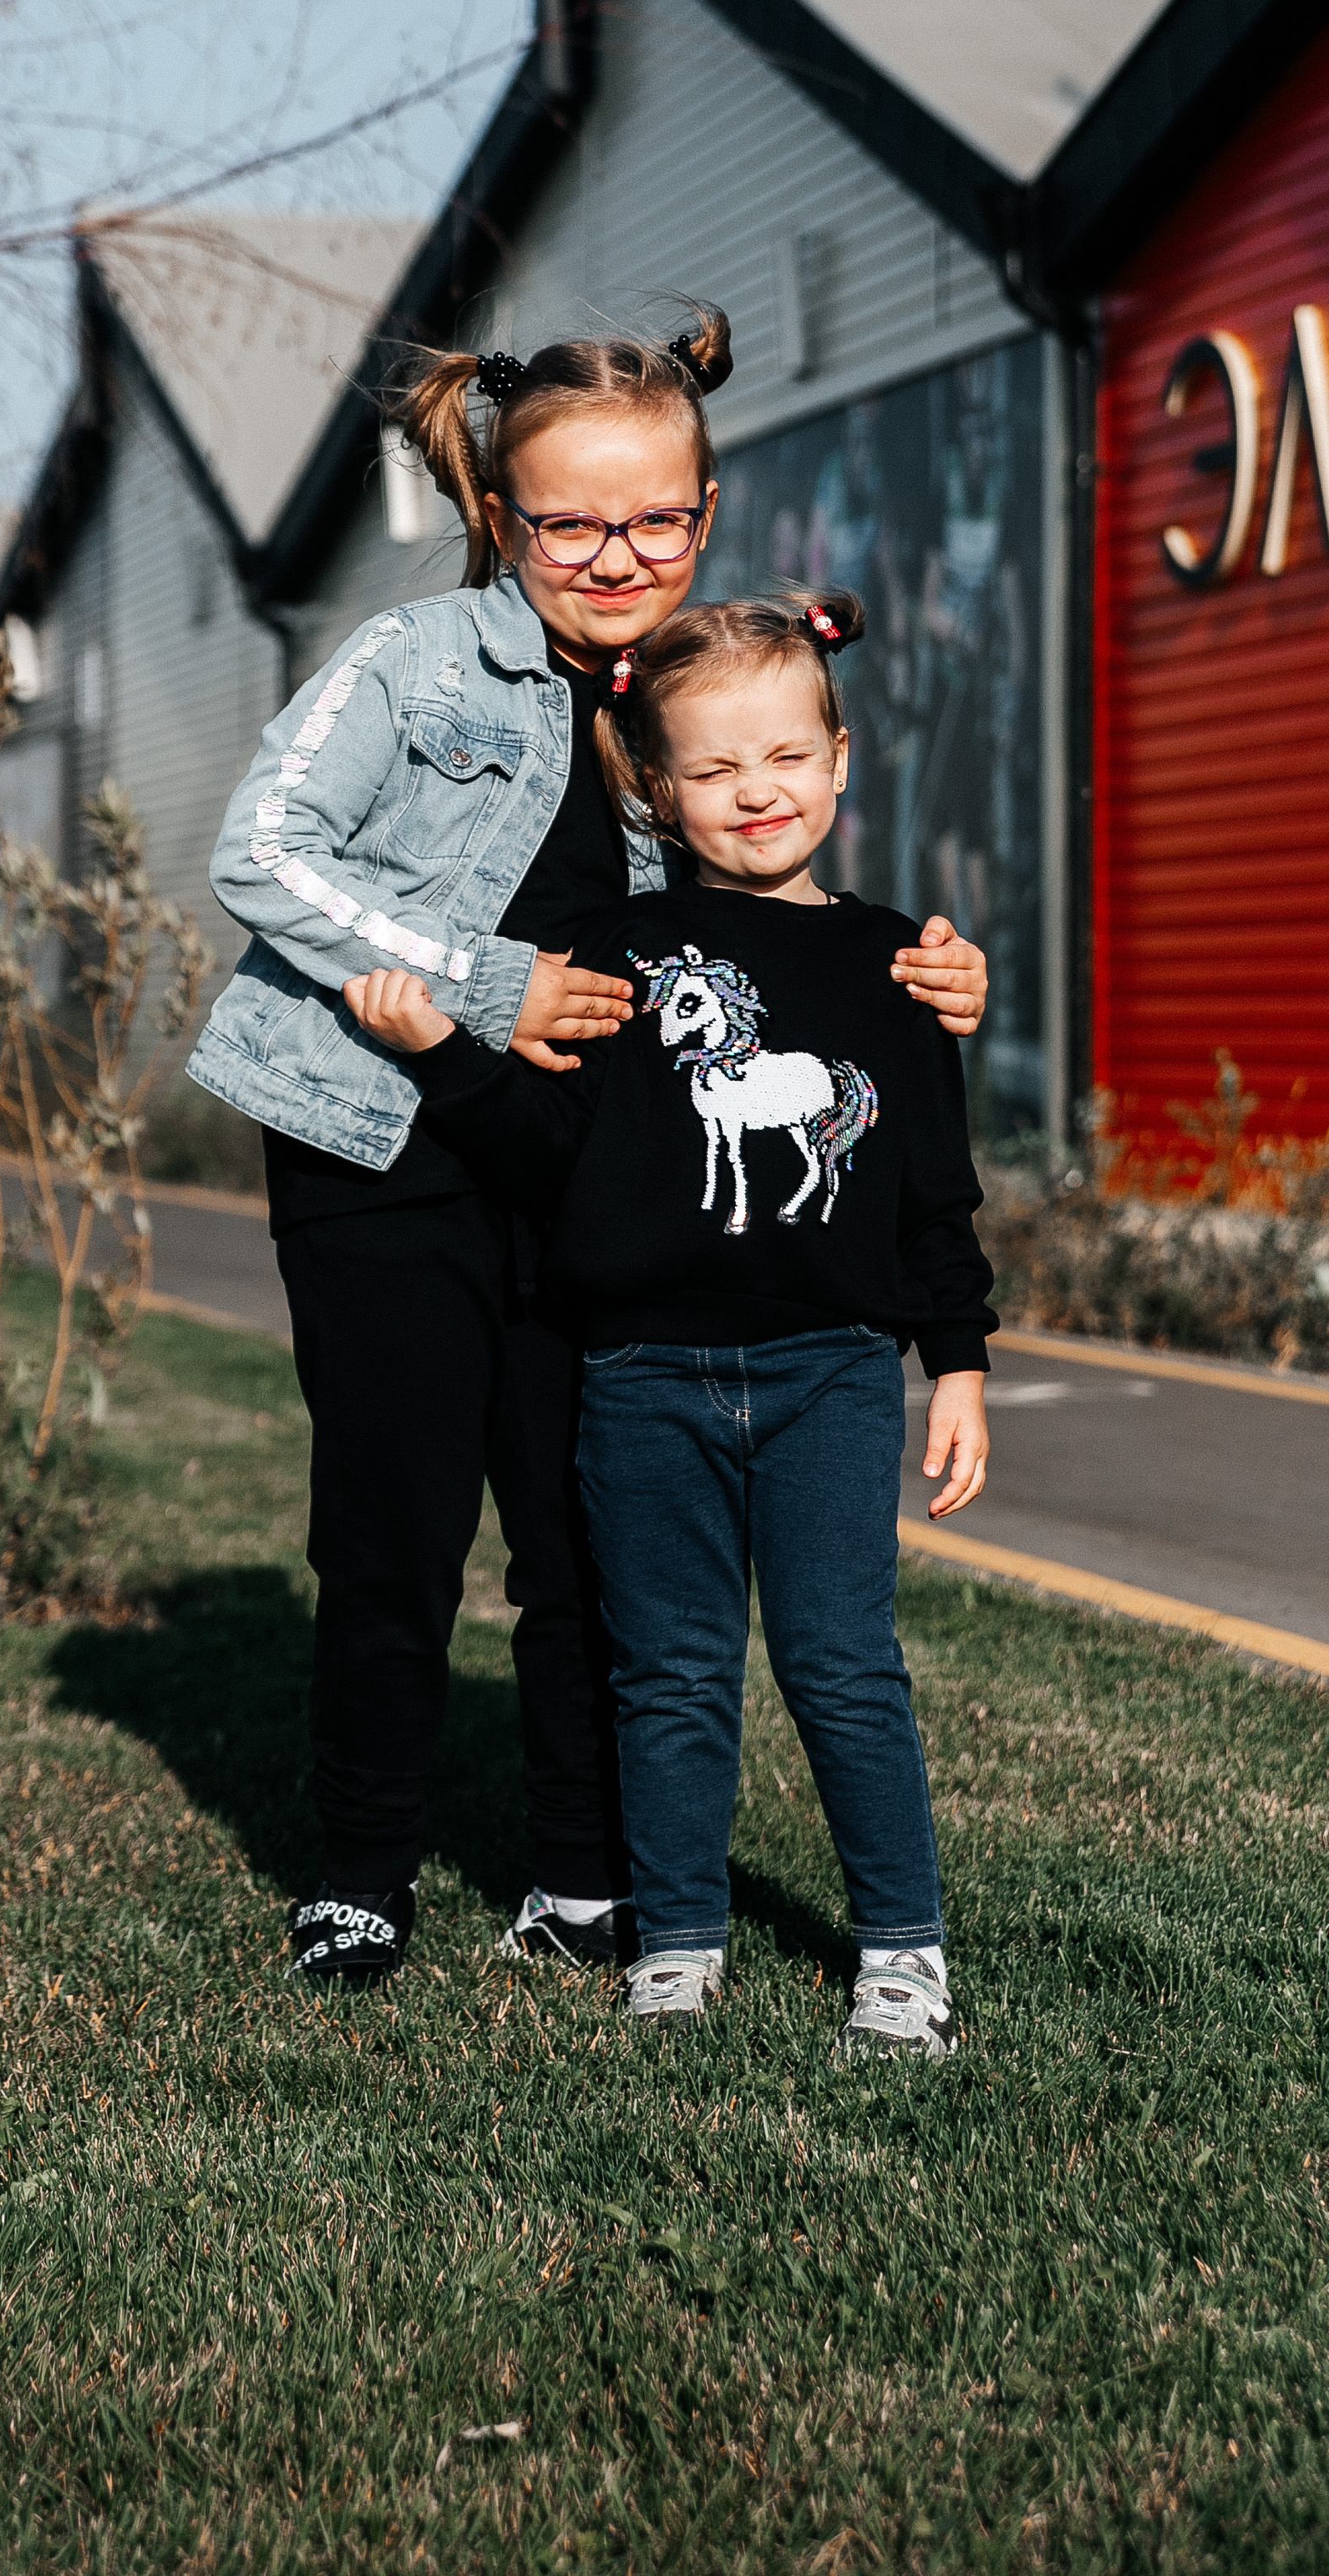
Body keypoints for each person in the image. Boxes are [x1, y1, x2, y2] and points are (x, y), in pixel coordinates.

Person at [187, 311, 989, 1988]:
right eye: (571, 523)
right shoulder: (408, 666)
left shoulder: (680, 692)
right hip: (383, 1146)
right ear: (504, 519)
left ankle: (577, 1870)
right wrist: (480, 984)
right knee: (395, 1525)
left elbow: (766, 892)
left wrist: (923, 972)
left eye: (658, 521)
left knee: (576, 1535)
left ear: (701, 511)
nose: (618, 557)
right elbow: (258, 850)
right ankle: (361, 1870)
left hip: (586, 1178)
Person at [342, 588, 992, 2064]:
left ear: (840, 758)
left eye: (783, 758)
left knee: (844, 1667)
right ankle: (677, 1944)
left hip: (832, 1378)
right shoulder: (621, 955)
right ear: (658, 784)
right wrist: (443, 1050)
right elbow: (551, 1149)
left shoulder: (900, 966)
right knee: (672, 1672)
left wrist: (954, 1364)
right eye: (712, 769)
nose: (754, 793)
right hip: (640, 1384)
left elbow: (934, 1195)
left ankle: (903, 1953)